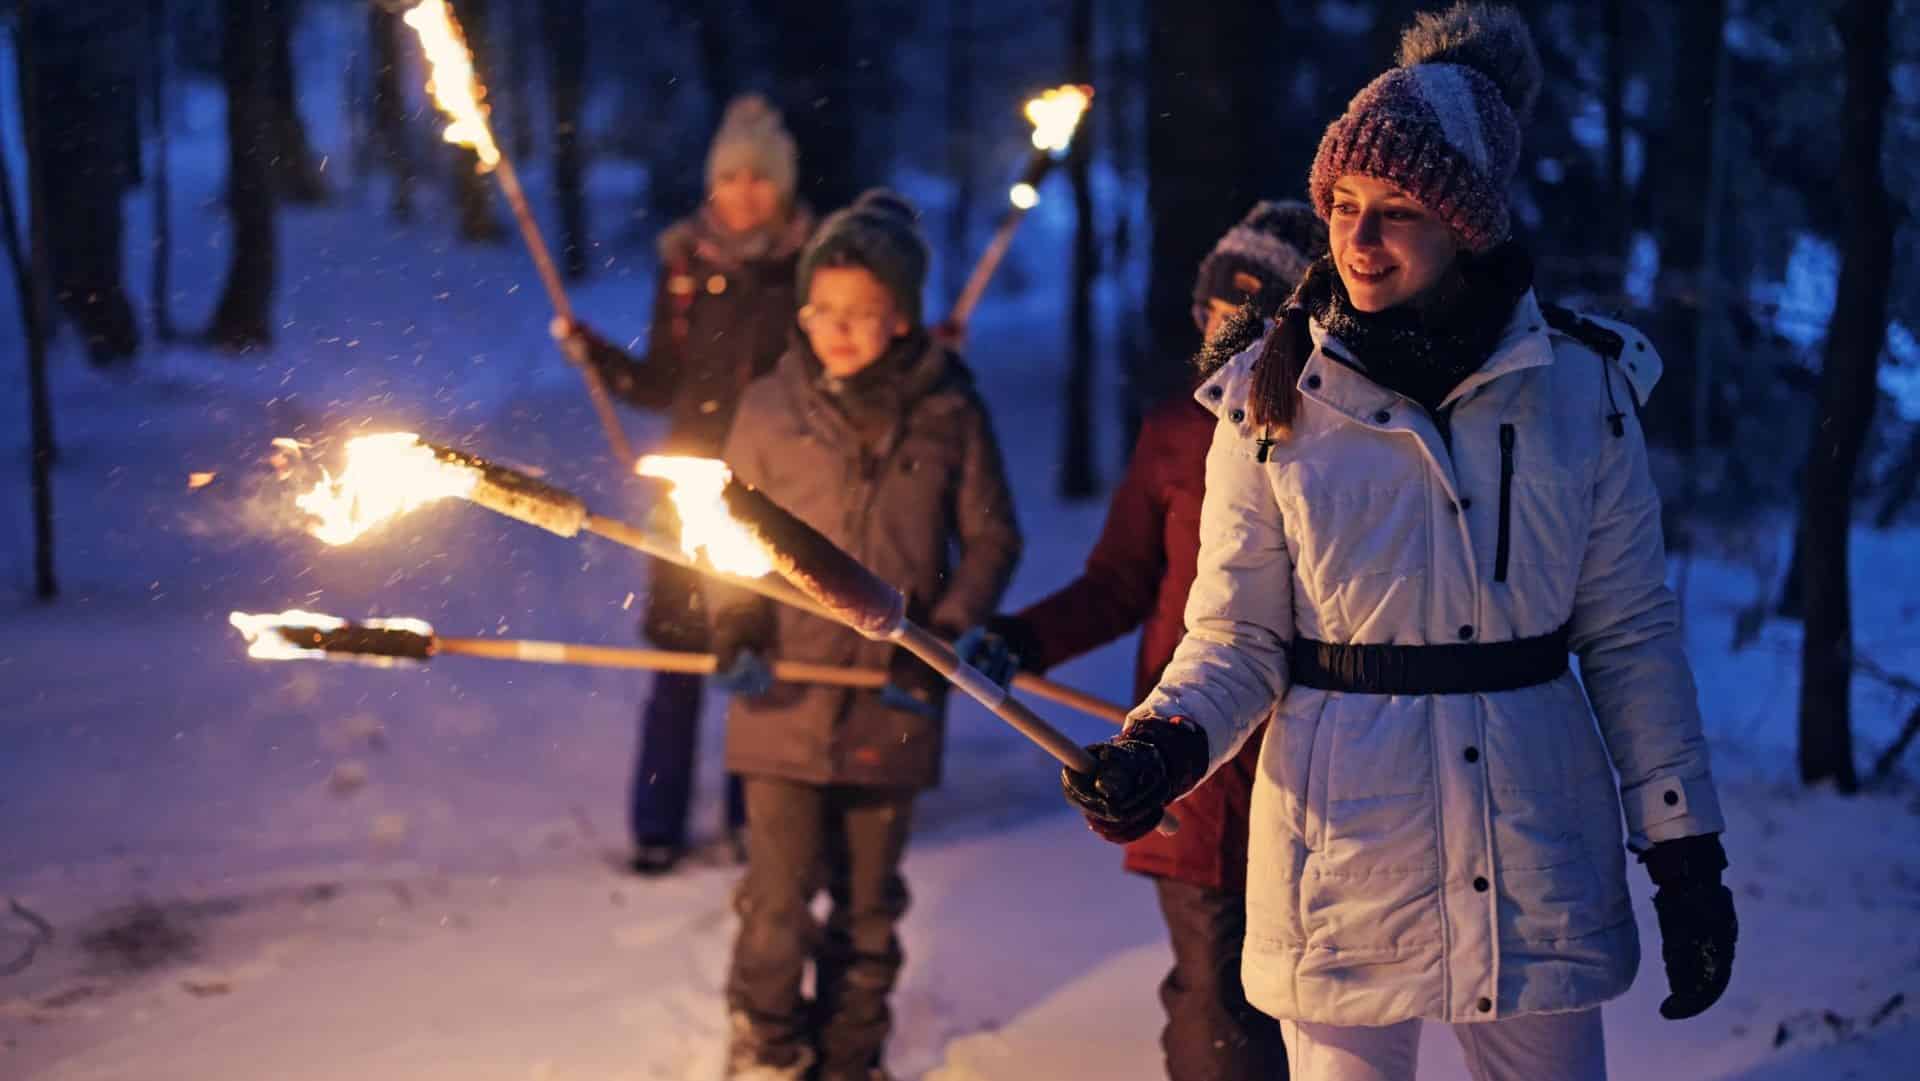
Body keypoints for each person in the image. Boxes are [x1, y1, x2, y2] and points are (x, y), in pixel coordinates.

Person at [1058, 6, 1738, 1080]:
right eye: (1343, 206)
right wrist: (1167, 744)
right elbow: (1233, 636)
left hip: (1533, 854)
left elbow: (1630, 637)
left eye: (1397, 212)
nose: (1358, 240)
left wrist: (1684, 849)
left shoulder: (1579, 392)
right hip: (1344, 861)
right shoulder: (1268, 401)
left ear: (1467, 224)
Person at [962, 201, 1325, 1081]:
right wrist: (1022, 636)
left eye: (1251, 312)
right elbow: (1125, 577)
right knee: (1218, 1001)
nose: (1222, 329)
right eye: (1211, 310)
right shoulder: (1175, 434)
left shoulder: (1340, 437)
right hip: (1190, 765)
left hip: (1314, 767)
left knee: (1316, 1007)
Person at [708, 190, 1022, 1081]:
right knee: (775, 905)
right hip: (784, 697)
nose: (836, 329)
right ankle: (768, 1047)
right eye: (822, 310)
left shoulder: (949, 410)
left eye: (860, 313)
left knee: (868, 905)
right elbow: (720, 538)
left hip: (894, 697)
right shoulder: (768, 408)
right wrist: (736, 624)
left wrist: (943, 645)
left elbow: (995, 536)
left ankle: (851, 1058)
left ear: (903, 317)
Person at [554, 94, 814, 875]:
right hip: (686, 480)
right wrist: (597, 355)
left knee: (754, 652)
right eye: (731, 176)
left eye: (760, 179)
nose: (744, 192)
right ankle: (656, 824)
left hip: (775, 484)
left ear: (784, 186)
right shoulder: (685, 269)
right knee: (676, 652)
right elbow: (663, 381)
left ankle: (750, 819)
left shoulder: (809, 266)